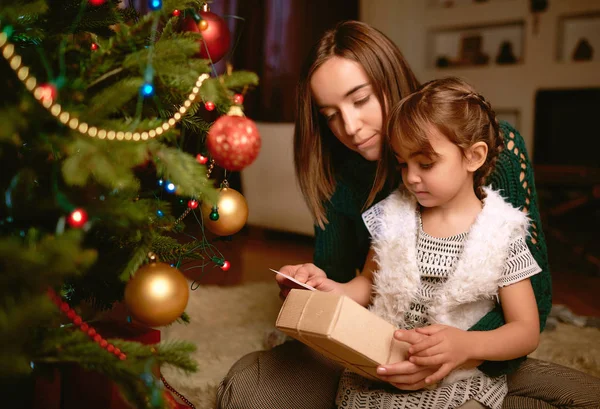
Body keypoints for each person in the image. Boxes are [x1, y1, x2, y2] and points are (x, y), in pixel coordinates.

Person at [217, 20, 600, 409]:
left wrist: (449, 353)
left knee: (580, 395)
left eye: (360, 99)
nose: (349, 127)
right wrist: (317, 289)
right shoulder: (362, 189)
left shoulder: (487, 153)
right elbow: (358, 285)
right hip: (379, 349)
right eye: (330, 114)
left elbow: (529, 309)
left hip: (471, 356)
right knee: (251, 386)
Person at [282, 77, 541, 409]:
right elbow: (368, 282)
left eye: (426, 164)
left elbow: (525, 330)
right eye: (403, 164)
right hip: (382, 365)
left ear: (473, 157)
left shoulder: (501, 233)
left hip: (459, 378)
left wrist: (467, 346)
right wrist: (334, 290)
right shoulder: (393, 217)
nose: (411, 177)